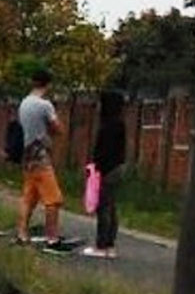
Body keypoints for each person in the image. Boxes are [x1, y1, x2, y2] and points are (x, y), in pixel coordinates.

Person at [15, 69, 74, 252]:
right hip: (41, 156)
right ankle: (52, 239)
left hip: (27, 155)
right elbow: (57, 128)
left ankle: (22, 233)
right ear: (48, 84)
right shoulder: (44, 105)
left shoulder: (24, 103)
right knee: (53, 199)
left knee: (29, 196)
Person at [83, 90, 126, 258]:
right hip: (116, 168)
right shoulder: (119, 124)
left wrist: (96, 169)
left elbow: (104, 151)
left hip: (107, 170)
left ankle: (101, 246)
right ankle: (109, 245)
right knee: (111, 206)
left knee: (103, 208)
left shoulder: (108, 126)